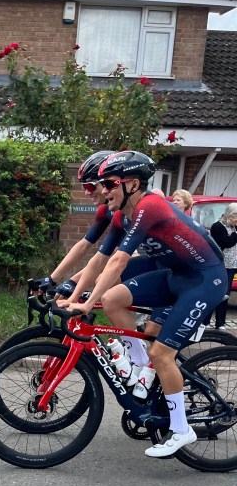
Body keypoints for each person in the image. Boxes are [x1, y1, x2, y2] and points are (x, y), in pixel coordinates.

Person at [65, 150, 228, 458]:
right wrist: (73, 297)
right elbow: (99, 260)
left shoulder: (149, 206)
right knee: (113, 299)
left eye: (110, 184)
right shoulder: (121, 215)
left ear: (133, 184)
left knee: (161, 353)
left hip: (205, 279)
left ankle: (181, 428)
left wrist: (86, 305)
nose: (103, 191)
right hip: (176, 275)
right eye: (102, 184)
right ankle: (141, 368)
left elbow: (118, 262)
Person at [37, 150, 115, 296]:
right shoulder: (105, 211)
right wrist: (52, 279)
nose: (87, 193)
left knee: (105, 289)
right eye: (85, 187)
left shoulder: (131, 210)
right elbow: (84, 245)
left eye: (90, 186)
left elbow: (113, 256)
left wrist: (73, 282)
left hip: (149, 267)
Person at [210, 202, 237, 328]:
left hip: (232, 265)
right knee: (215, 293)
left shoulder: (234, 227)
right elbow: (227, 242)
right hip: (220, 265)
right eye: (236, 217)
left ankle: (220, 322)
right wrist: (236, 234)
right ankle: (205, 321)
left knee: (226, 295)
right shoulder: (218, 226)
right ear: (230, 215)